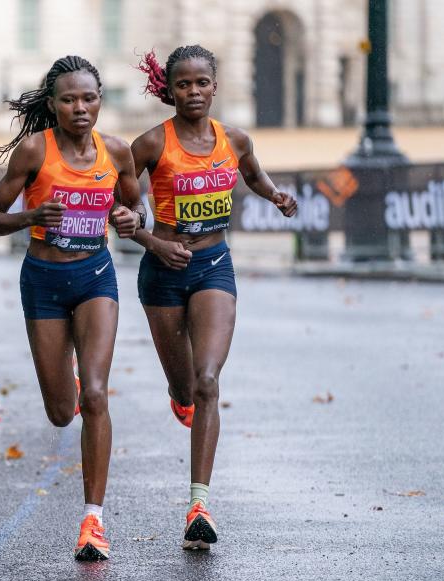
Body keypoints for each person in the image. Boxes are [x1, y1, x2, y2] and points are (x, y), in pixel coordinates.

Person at [130, 45, 297, 550]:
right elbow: (122, 211)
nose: (194, 92)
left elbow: (251, 172)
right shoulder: (150, 145)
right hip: (162, 273)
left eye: (202, 83)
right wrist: (153, 241)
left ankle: (198, 504)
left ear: (215, 85)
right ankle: (180, 398)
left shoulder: (235, 139)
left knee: (208, 381)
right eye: (184, 85)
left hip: (214, 266)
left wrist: (274, 195)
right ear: (170, 91)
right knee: (184, 389)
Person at [0, 55, 142, 562]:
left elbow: (135, 211)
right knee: (61, 411)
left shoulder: (116, 152)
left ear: (100, 102)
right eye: (69, 99)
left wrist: (127, 216)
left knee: (95, 394)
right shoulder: (34, 151)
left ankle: (93, 519)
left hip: (95, 277)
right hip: (44, 283)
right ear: (52, 105)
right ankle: (66, 381)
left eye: (89, 98)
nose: (80, 108)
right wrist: (32, 213)